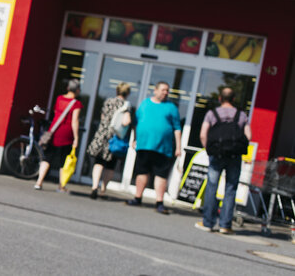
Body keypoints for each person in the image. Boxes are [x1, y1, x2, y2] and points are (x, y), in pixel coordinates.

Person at [195, 87, 251, 234]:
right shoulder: (241, 115)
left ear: (220, 98)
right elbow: (248, 136)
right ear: (233, 99)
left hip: (216, 155)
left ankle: (208, 222)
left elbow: (203, 134)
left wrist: (209, 150)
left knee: (212, 187)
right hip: (234, 157)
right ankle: (225, 225)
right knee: (231, 189)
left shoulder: (212, 114)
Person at [127, 81, 182, 214]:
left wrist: (178, 147)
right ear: (155, 90)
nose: (165, 93)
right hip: (144, 145)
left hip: (163, 148)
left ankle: (159, 202)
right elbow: (135, 123)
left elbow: (177, 129)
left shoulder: (171, 108)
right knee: (142, 172)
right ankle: (137, 198)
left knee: (161, 175)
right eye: (163, 90)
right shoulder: (145, 103)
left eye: (167, 90)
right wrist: (134, 139)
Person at [87, 82, 132, 199]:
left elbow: (103, 117)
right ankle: (103, 189)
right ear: (127, 93)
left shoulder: (108, 102)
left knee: (99, 161)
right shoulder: (126, 105)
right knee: (110, 165)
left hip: (102, 134)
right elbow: (126, 122)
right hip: (114, 137)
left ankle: (94, 186)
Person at [35, 79, 82, 192]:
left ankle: (39, 182)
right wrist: (76, 137)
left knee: (47, 158)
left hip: (54, 131)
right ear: (78, 90)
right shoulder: (77, 104)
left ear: (68, 88)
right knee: (63, 161)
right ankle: (61, 186)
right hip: (66, 134)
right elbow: (74, 121)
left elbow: (56, 113)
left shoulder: (59, 99)